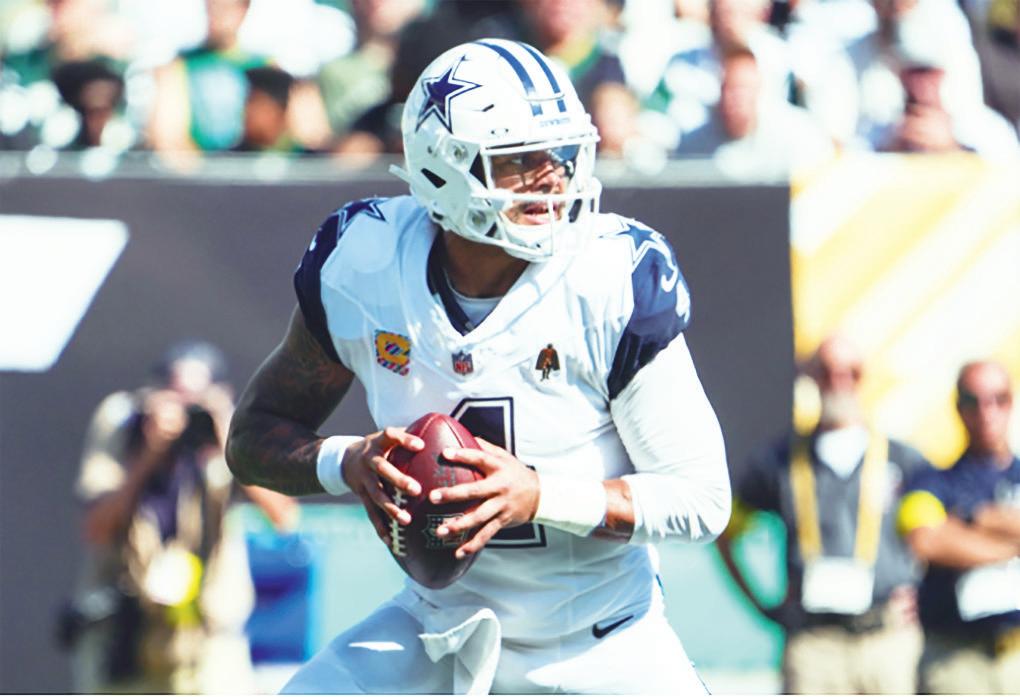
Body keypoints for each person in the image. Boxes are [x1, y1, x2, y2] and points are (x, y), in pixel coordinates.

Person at [226, 38, 731, 694]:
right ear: (444, 169)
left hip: (604, 638)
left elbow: (701, 499)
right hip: (439, 626)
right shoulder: (365, 261)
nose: (553, 177)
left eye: (560, 153)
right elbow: (252, 438)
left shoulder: (610, 277)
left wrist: (539, 494)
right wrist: (348, 462)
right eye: (520, 159)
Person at [67, 340, 296, 693]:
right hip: (128, 635)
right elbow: (97, 528)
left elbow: (284, 518)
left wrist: (232, 445)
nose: (186, 416)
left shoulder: (225, 440)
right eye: (175, 399)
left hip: (207, 640)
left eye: (196, 404)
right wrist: (149, 454)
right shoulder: (125, 426)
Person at [717, 334, 931, 694]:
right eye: (827, 371)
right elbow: (725, 533)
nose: (839, 381)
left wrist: (928, 596)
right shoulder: (780, 461)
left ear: (864, 377)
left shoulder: (903, 460)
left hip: (886, 637)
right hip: (815, 643)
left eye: (851, 371)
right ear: (811, 376)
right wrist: (762, 605)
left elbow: (938, 536)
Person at [897, 360, 1020, 694]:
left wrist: (971, 519)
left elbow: (946, 536)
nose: (986, 412)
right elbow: (926, 541)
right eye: (973, 401)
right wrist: (1012, 542)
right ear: (958, 408)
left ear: (1011, 402)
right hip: (955, 658)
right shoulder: (930, 481)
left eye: (998, 399)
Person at [674, 46, 834, 178]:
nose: (734, 98)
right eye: (729, 89)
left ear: (759, 91)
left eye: (742, 90)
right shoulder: (693, 146)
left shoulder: (798, 133)